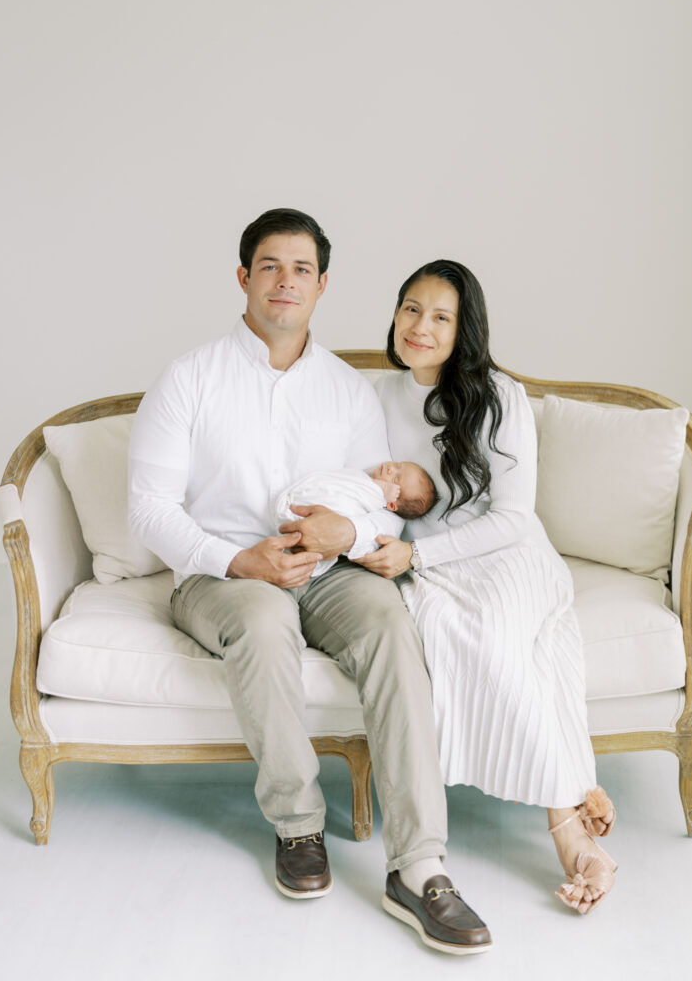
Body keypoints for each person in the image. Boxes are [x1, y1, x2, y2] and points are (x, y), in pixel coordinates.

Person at [127, 212, 492, 954]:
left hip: (328, 575)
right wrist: (240, 561)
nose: (285, 281)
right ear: (243, 278)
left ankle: (419, 866)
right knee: (262, 621)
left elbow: (369, 503)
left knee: (391, 623)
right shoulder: (188, 377)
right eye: (269, 266)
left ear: (321, 285)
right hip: (219, 571)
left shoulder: (346, 391)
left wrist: (345, 537)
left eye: (301, 269)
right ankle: (298, 827)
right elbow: (147, 509)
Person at [358, 259, 617, 916]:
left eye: (440, 316)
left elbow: (510, 517)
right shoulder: (376, 396)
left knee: (498, 637)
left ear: (463, 329)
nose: (419, 326)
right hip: (427, 565)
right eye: (409, 308)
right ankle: (576, 788)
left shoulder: (496, 394)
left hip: (502, 551)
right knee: (441, 632)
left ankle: (568, 832)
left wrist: (416, 554)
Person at [275, 460, 437, 576]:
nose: (390, 469)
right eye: (397, 465)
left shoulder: (373, 500)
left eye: (395, 479)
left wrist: (377, 491)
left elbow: (351, 502)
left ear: (392, 505)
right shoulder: (363, 477)